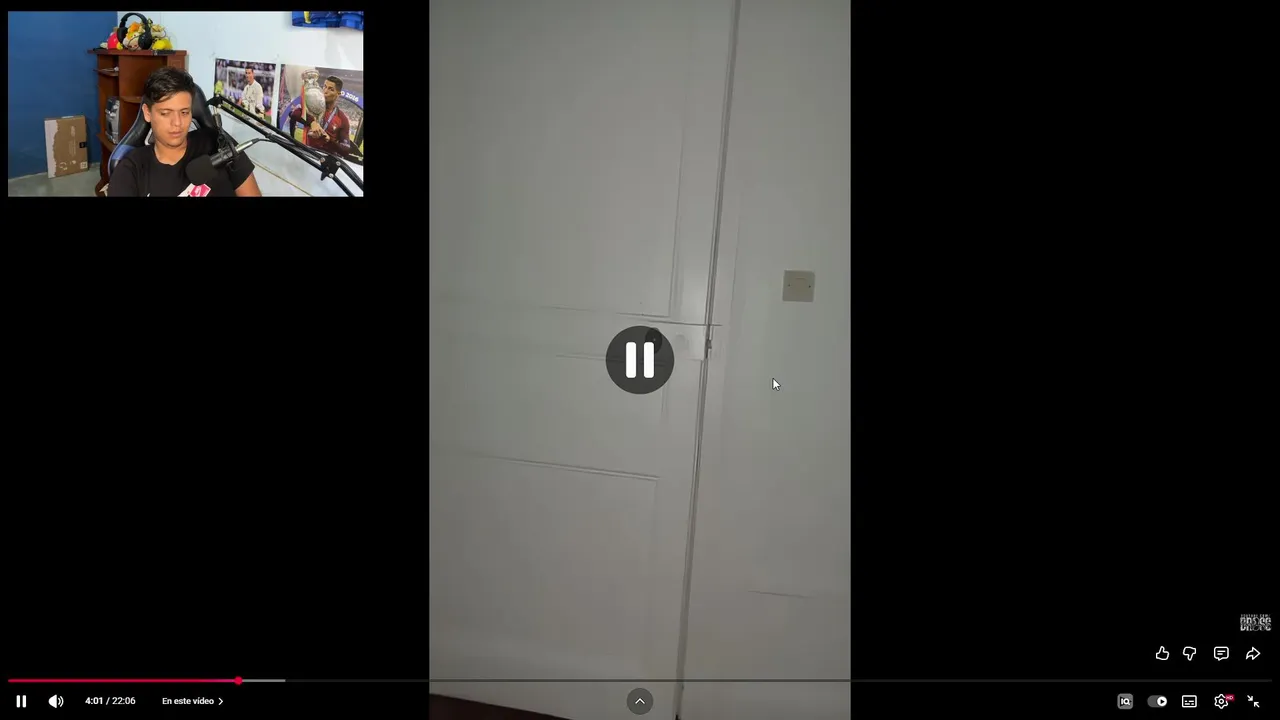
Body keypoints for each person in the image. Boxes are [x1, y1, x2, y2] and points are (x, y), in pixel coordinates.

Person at [109, 67, 262, 197]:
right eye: (165, 113)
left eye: (184, 112)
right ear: (148, 113)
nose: (177, 123)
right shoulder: (130, 171)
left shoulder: (219, 144)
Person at [287, 75, 351, 156]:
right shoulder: (311, 106)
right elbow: (294, 113)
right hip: (306, 155)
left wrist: (329, 140)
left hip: (325, 160)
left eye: (331, 89)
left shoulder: (342, 118)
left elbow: (345, 149)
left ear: (338, 94)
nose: (325, 91)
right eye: (325, 87)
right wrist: (312, 122)